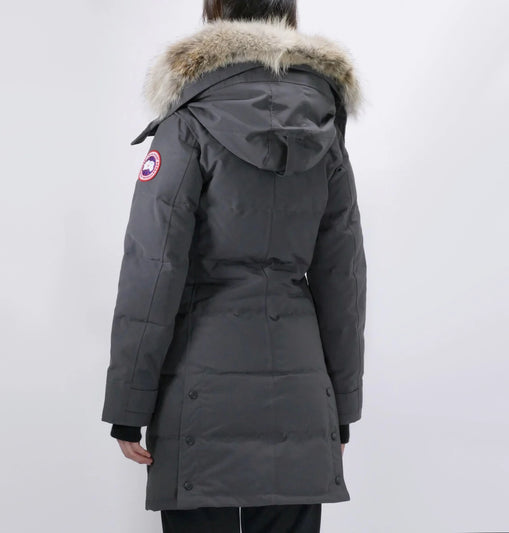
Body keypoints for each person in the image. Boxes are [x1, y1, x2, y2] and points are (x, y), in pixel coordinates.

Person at [101, 1, 367, 531]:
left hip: (198, 394)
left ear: (216, 12)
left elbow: (151, 269)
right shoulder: (324, 128)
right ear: (287, 14)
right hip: (300, 394)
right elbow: (343, 280)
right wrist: (340, 407)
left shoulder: (187, 123)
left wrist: (128, 406)